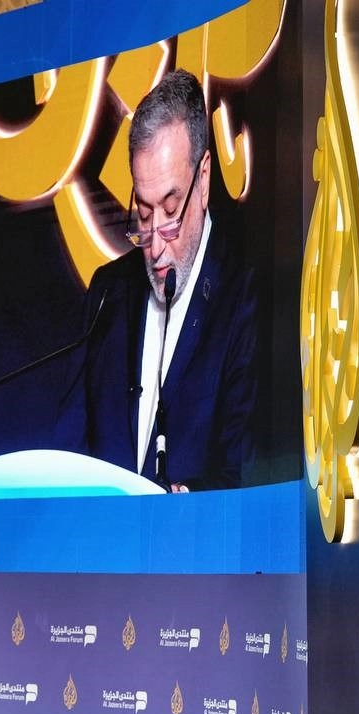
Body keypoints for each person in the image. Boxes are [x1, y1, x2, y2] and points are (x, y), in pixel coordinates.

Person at [56, 68, 258, 491]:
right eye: (144, 214)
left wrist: (190, 503)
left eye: (170, 210)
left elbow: (247, 471)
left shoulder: (246, 296)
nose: (155, 245)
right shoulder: (107, 292)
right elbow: (69, 455)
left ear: (204, 179)